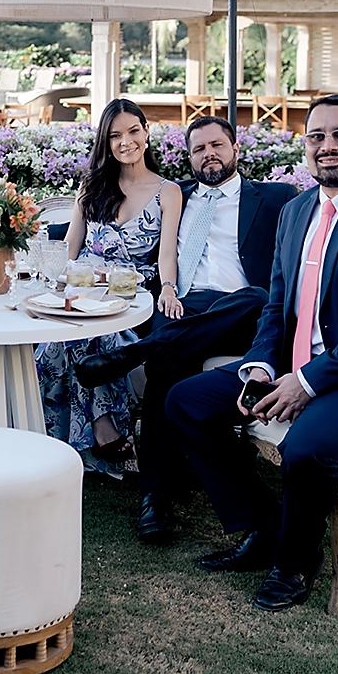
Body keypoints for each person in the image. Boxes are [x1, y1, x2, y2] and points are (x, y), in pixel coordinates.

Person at [166, 94, 338, 611]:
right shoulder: (296, 211)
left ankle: (296, 562)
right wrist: (262, 366)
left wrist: (308, 381)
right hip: (296, 365)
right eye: (317, 137)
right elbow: (277, 304)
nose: (328, 146)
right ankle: (260, 529)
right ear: (306, 145)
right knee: (188, 402)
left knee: (307, 447)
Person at [74, 115, 296, 542]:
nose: (208, 154)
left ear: (235, 149)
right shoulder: (175, 195)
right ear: (189, 157)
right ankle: (154, 499)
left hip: (245, 313)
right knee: (167, 371)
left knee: (255, 295)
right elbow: (111, 227)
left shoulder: (275, 198)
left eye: (217, 145)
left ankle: (136, 352)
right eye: (198, 149)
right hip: (183, 309)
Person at [36, 98, 182, 477]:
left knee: (97, 334)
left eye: (133, 131)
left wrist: (168, 287)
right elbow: (70, 246)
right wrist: (51, 279)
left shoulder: (168, 192)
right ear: (106, 142)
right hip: (82, 286)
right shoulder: (93, 186)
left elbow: (167, 255)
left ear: (146, 132)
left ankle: (95, 431)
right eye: (115, 135)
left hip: (128, 297)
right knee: (56, 344)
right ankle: (84, 436)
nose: (126, 142)